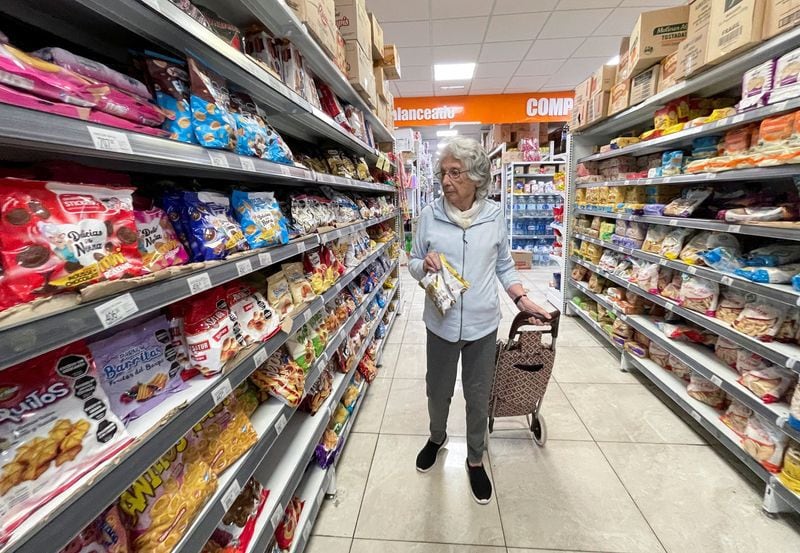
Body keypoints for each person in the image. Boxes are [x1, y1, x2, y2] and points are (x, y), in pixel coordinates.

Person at [408, 136, 551, 504]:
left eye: (455, 173)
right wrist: (422, 266)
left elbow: (504, 264)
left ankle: (474, 459)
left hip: (483, 324)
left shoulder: (494, 215)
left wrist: (521, 297)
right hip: (440, 322)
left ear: (476, 177)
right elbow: (411, 262)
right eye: (443, 172)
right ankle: (437, 437)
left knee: (476, 395)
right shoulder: (429, 215)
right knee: (437, 391)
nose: (446, 181)